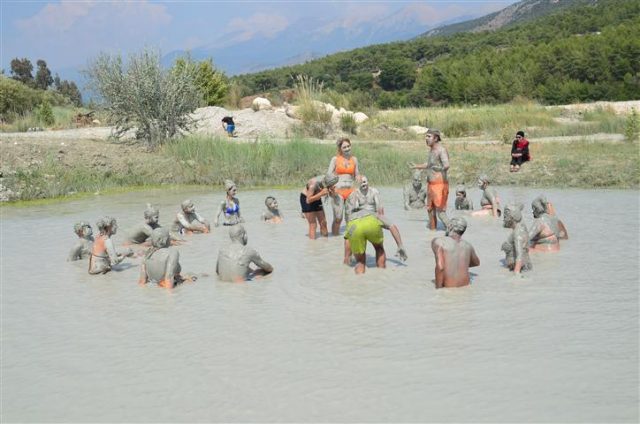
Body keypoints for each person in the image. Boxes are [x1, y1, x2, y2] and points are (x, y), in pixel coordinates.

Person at [343, 209, 407, 274]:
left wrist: (346, 257)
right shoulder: (375, 214)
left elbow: (347, 238)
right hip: (371, 223)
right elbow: (392, 226)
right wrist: (400, 245)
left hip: (354, 225)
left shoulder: (351, 218)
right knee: (379, 248)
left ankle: (360, 280)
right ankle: (381, 273)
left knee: (360, 261)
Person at [410, 129, 450, 230]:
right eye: (426, 136)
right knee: (430, 210)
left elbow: (447, 165)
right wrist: (417, 166)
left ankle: (453, 231)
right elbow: (429, 165)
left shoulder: (441, 150)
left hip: (440, 185)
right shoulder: (432, 150)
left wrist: (440, 168)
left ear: (436, 138)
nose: (426, 139)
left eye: (428, 136)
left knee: (441, 212)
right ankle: (432, 233)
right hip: (431, 185)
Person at [431, 217, 480, 288]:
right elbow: (476, 263)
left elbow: (440, 267)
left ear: (450, 226)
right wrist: (461, 263)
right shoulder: (468, 246)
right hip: (466, 288)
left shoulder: (439, 242)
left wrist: (438, 289)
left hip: (449, 290)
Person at [327, 137, 360, 235]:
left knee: (350, 219)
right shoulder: (335, 159)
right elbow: (328, 175)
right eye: (344, 147)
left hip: (351, 191)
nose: (347, 149)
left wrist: (359, 177)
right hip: (338, 192)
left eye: (348, 146)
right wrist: (330, 188)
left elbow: (357, 173)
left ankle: (349, 240)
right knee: (338, 218)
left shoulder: (354, 159)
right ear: (340, 149)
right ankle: (335, 241)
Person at [300, 173, 339, 239]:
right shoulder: (313, 184)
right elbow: (308, 200)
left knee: (323, 222)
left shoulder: (329, 181)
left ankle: (325, 243)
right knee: (313, 224)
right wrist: (321, 193)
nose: (332, 186)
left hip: (317, 198)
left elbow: (332, 196)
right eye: (331, 185)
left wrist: (332, 192)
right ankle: (312, 246)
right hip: (307, 199)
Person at [501, 203, 531, 274]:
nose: (503, 220)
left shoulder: (517, 233)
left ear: (511, 218)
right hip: (524, 267)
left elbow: (519, 255)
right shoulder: (522, 227)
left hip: (520, 269)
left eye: (505, 217)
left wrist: (516, 275)